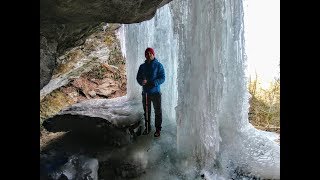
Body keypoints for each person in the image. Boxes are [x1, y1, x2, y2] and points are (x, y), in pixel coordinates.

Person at [136, 47, 165, 137]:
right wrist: (141, 82)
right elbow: (138, 77)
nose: (148, 55)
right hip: (146, 93)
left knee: (158, 112)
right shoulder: (142, 66)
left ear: (153, 54)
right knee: (147, 111)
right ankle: (147, 128)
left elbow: (162, 78)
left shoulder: (159, 65)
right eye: (147, 54)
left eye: (150, 53)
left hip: (156, 93)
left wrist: (154, 83)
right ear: (145, 55)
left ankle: (158, 129)